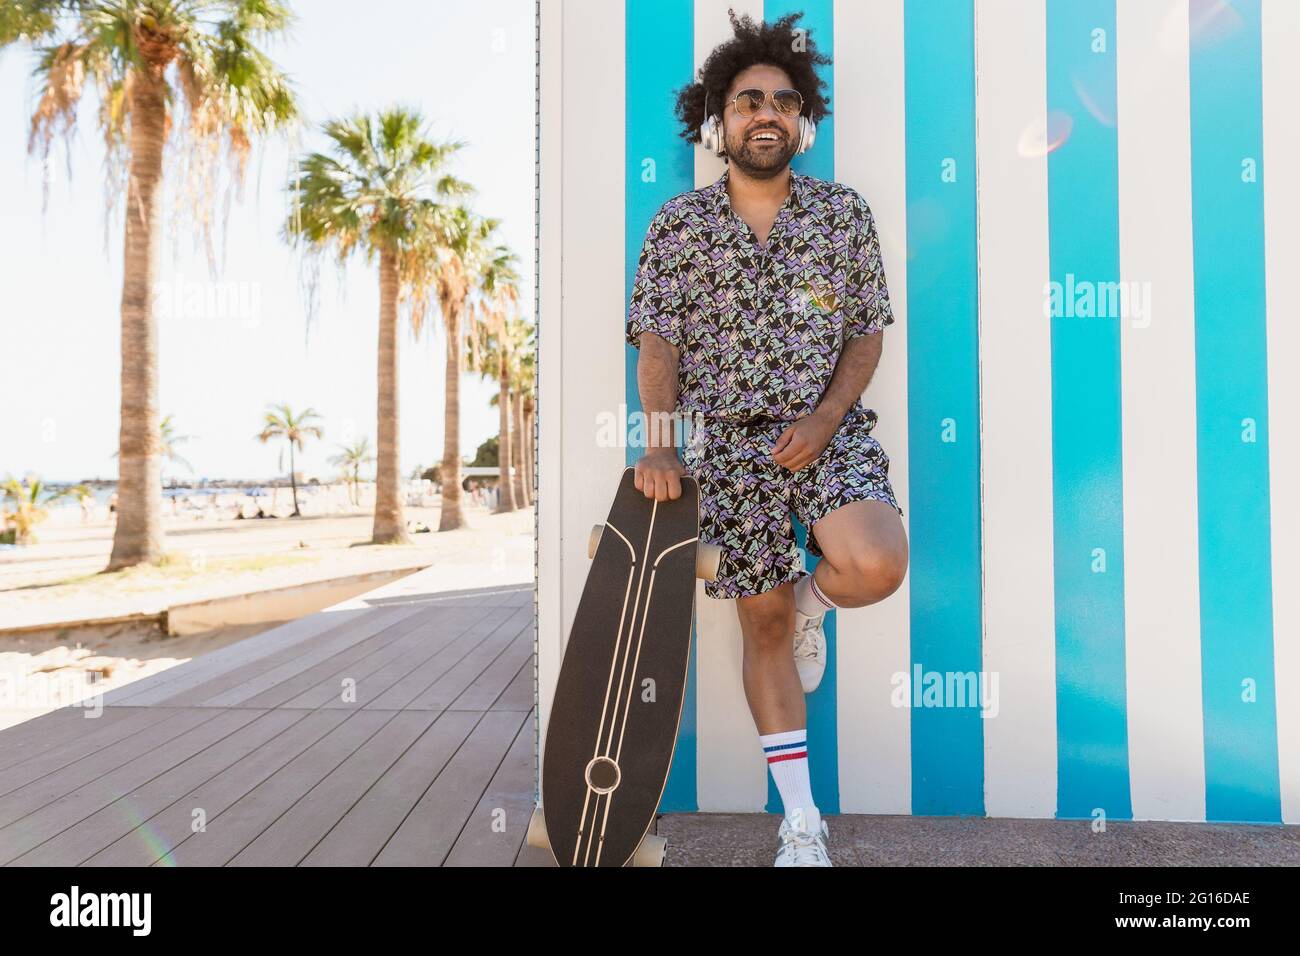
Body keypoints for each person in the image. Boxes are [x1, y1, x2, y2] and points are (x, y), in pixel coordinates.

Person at [627, 10, 908, 867]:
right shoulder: (679, 226)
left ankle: (816, 602)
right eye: (749, 99)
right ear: (719, 119)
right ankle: (802, 825)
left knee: (876, 563)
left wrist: (824, 420)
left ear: (803, 122)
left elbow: (866, 331)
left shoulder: (840, 215)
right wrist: (662, 443)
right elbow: (659, 338)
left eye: (784, 101)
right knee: (762, 626)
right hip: (732, 451)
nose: (767, 113)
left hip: (829, 433)